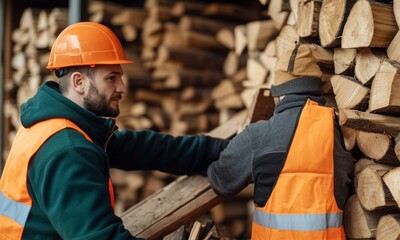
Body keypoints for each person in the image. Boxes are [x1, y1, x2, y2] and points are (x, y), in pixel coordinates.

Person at [0, 22, 229, 240]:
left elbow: (143, 148)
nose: (122, 87)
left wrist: (220, 150)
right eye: (111, 78)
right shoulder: (67, 150)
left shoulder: (60, 125)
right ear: (79, 82)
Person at [207, 42, 354, 239]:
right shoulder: (339, 130)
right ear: (317, 91)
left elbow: (222, 180)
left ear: (279, 94)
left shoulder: (260, 134)